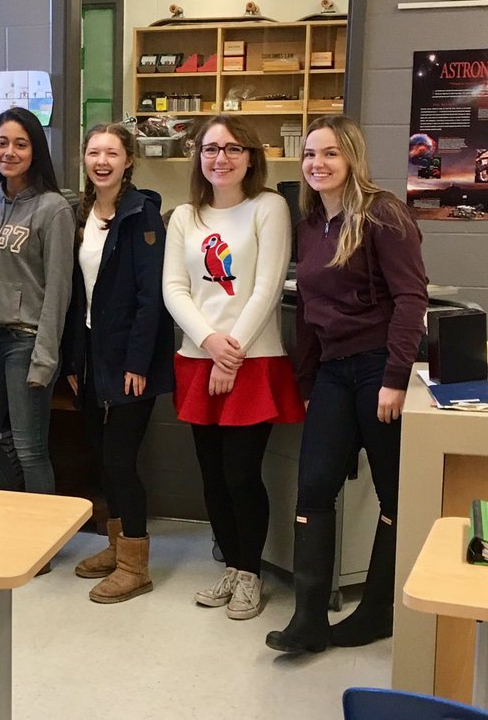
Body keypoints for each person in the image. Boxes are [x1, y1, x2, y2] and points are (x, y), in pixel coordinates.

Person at [266, 114, 426, 654]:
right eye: (310, 154)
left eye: (330, 153)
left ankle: (376, 612)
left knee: (393, 494)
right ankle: (308, 620)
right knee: (314, 488)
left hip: (380, 368)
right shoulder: (310, 223)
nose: (318, 163)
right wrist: (308, 380)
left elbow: (411, 298)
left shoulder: (383, 214)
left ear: (352, 157)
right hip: (333, 372)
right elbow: (308, 309)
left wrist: (395, 378)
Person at [163, 116, 304, 621]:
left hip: (253, 359)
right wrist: (209, 342)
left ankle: (250, 573)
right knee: (212, 476)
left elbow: (267, 286)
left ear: (250, 156)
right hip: (199, 359)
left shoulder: (269, 207)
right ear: (198, 156)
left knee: (241, 473)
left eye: (231, 148)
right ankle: (230, 563)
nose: (220, 157)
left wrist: (232, 349)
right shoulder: (185, 216)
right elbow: (174, 289)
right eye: (209, 148)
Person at [63, 123, 175, 603]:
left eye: (112, 152)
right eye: (93, 152)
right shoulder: (80, 213)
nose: (101, 161)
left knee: (120, 459)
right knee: (100, 454)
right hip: (89, 357)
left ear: (129, 160)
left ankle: (135, 565)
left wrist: (138, 361)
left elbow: (151, 297)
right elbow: (74, 296)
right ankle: (115, 546)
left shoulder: (142, 214)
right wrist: (72, 358)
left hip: (131, 359)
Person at [0, 107, 74, 500]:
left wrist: (45, 358)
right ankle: (19, 517)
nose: (9, 152)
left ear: (35, 150)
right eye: (1, 143)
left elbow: (59, 290)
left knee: (30, 450)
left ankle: (41, 540)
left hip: (27, 343)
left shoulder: (53, 208)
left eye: (20, 144)